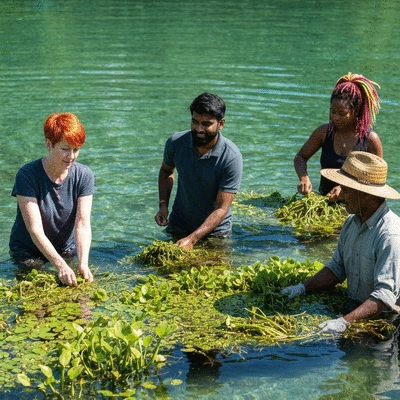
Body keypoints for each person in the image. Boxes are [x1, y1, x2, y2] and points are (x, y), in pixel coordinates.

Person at [282, 151, 400, 334]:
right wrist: (303, 287)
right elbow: (337, 268)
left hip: (384, 323)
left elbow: (384, 296)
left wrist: (344, 322)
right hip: (357, 312)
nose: (341, 195)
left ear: (366, 194)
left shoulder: (390, 235)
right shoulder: (351, 222)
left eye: (347, 190)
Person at [9, 112, 95, 287]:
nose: (71, 156)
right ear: (49, 144)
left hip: (65, 249)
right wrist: (60, 266)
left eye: (76, 150)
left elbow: (83, 224)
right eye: (65, 149)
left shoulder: (84, 175)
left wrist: (83, 263)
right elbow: (35, 230)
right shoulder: (27, 175)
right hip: (28, 251)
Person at [155, 92, 243, 250]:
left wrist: (193, 239)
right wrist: (163, 205)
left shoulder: (231, 157)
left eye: (206, 124)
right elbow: (166, 171)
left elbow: (222, 208)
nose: (199, 128)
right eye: (194, 122)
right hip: (179, 225)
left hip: (216, 234)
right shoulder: (176, 143)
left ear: (221, 124)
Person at [294, 72, 383, 201]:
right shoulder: (324, 132)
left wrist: (344, 189)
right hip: (324, 203)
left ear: (356, 111)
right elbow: (300, 157)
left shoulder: (370, 140)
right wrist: (304, 178)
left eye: (342, 113)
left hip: (354, 209)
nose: (335, 117)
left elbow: (376, 180)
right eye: (332, 111)